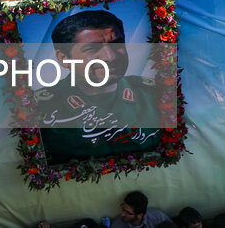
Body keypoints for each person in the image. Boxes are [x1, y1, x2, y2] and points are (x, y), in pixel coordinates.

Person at [36, 9, 166, 162]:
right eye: (92, 48)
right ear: (64, 58)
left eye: (117, 44)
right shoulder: (39, 110)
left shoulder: (156, 94)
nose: (110, 57)